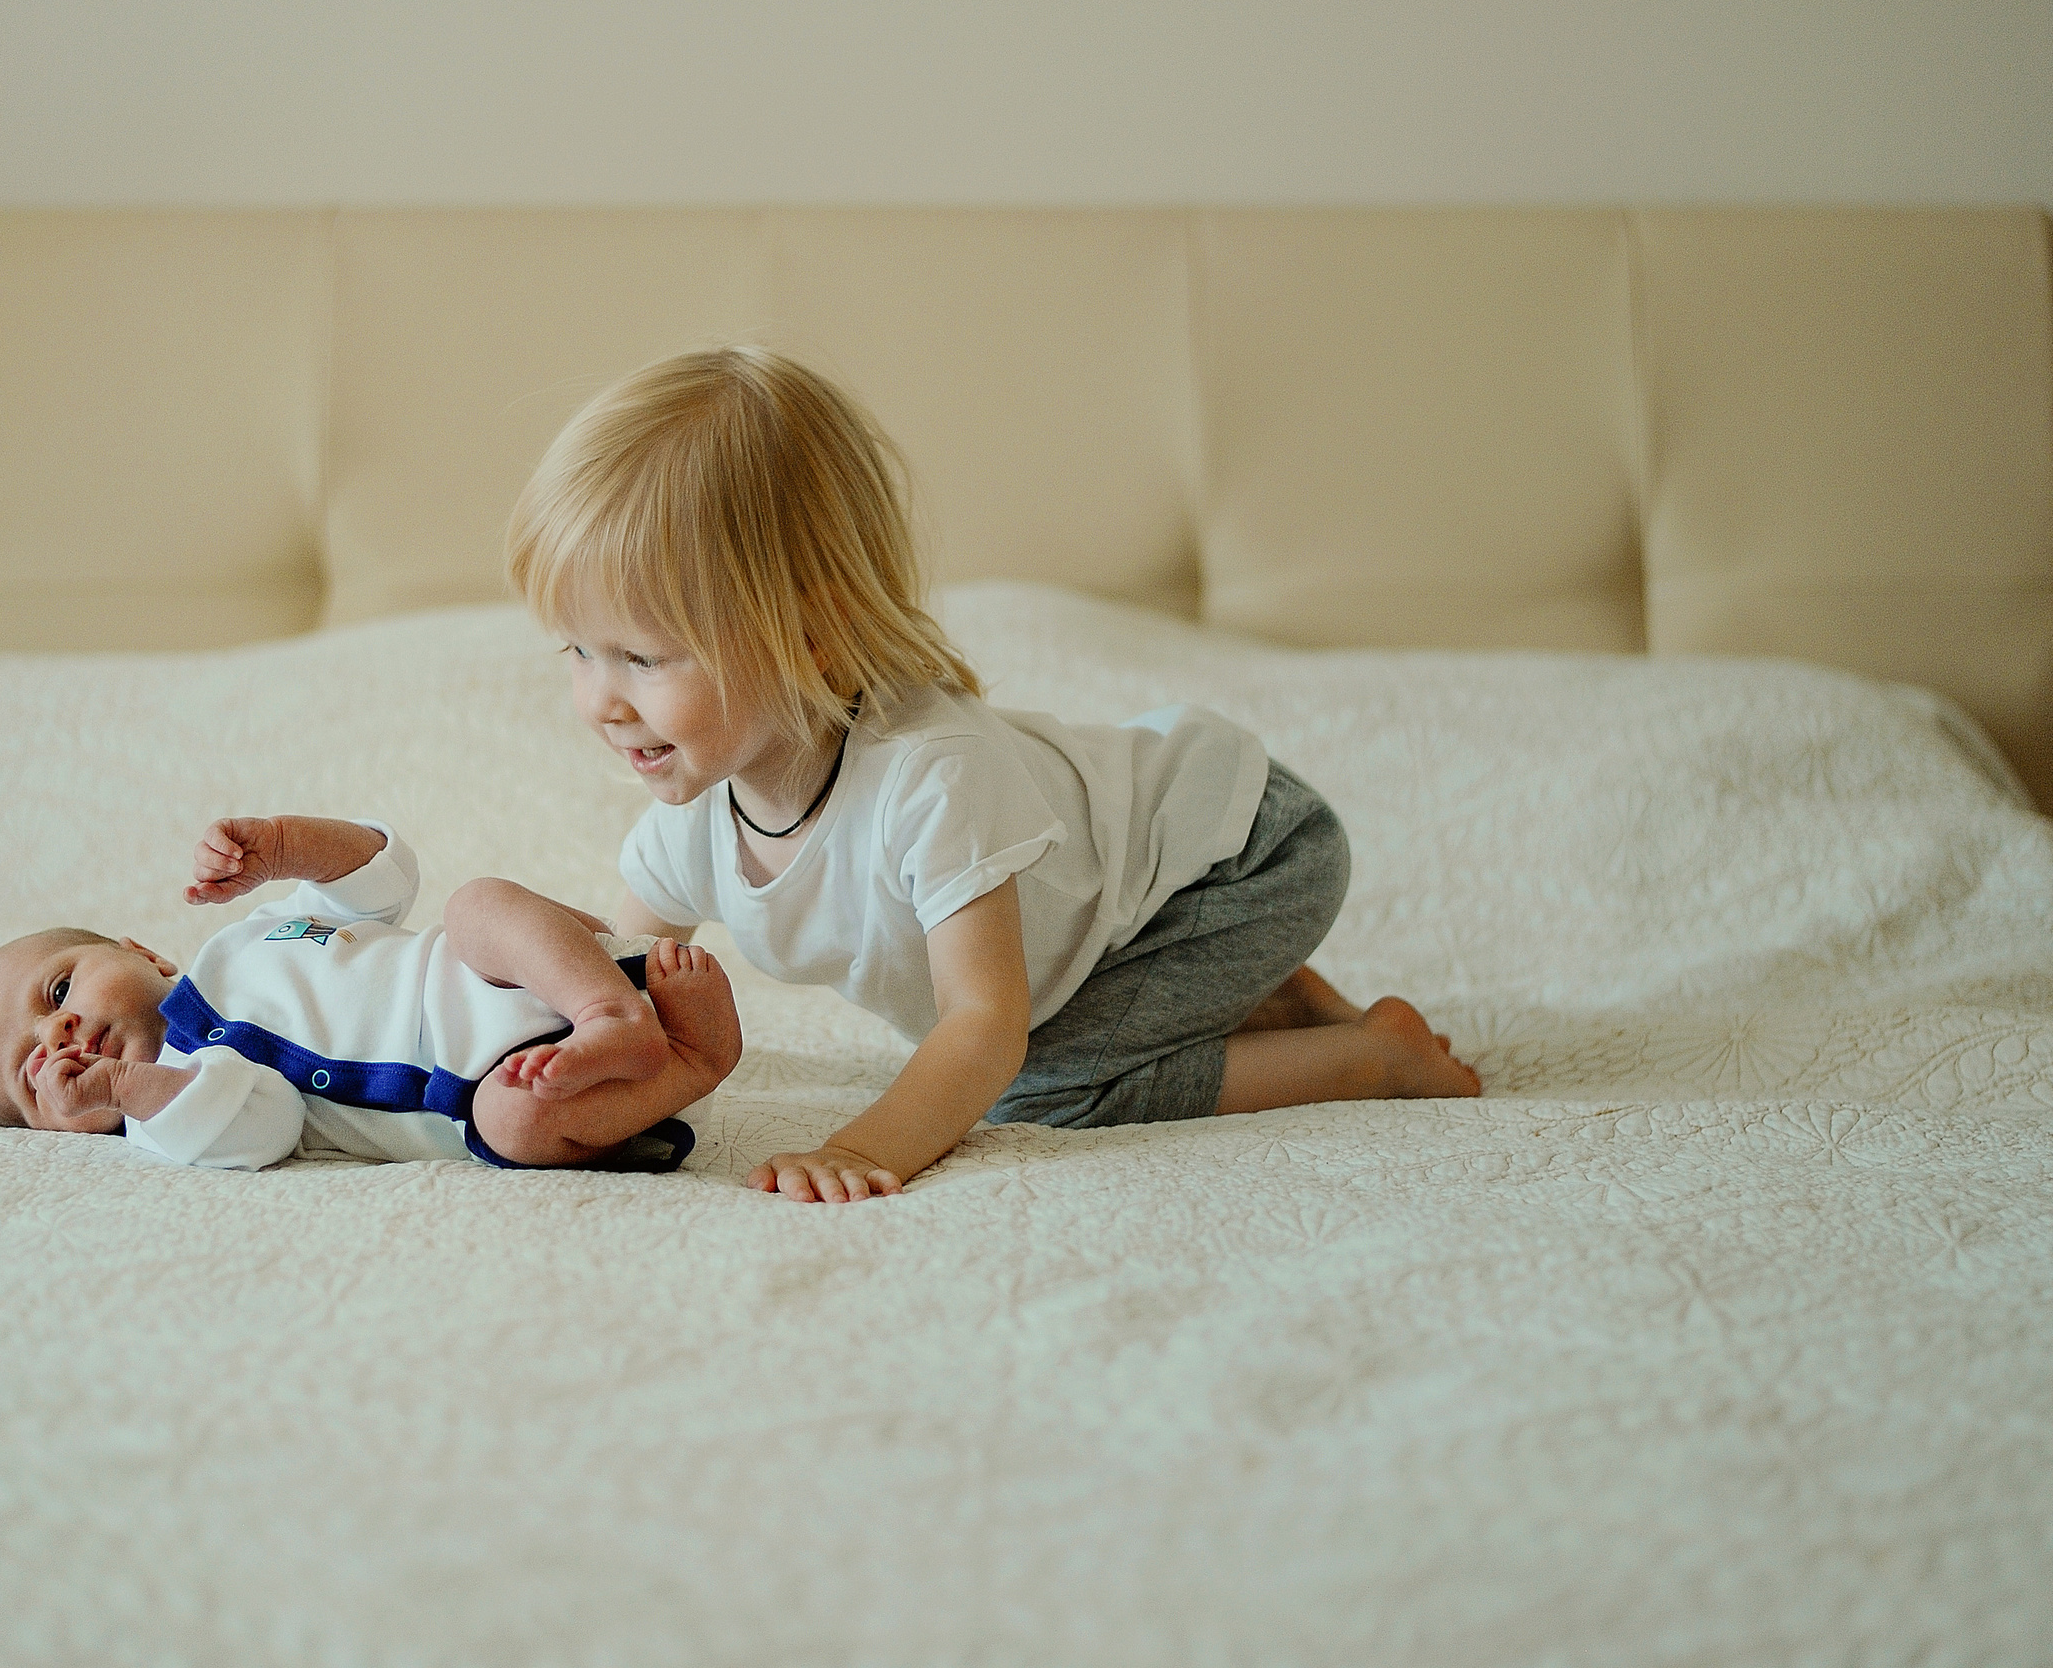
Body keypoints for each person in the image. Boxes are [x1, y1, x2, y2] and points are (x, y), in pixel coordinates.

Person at [505, 345, 1480, 1204]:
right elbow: (615, 977)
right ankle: (1277, 998)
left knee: (1044, 1086)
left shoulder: (931, 779)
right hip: (1116, 916)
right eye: (577, 655)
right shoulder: (695, 812)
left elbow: (982, 1022)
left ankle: (1374, 1059)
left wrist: (863, 1144)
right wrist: (520, 1049)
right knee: (1057, 1035)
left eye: (641, 657)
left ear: (810, 632)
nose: (601, 700)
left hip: (1239, 856)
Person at [0, 815, 739, 1172]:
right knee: (510, 1121)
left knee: (473, 905)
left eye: (57, 990)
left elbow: (382, 881)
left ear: (142, 952)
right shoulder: (173, 1113)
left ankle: (616, 1010)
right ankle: (692, 1061)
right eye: (33, 1073)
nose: (57, 1037)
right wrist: (123, 1086)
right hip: (543, 1086)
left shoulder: (254, 934)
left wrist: (289, 848)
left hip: (533, 972)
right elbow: (264, 1123)